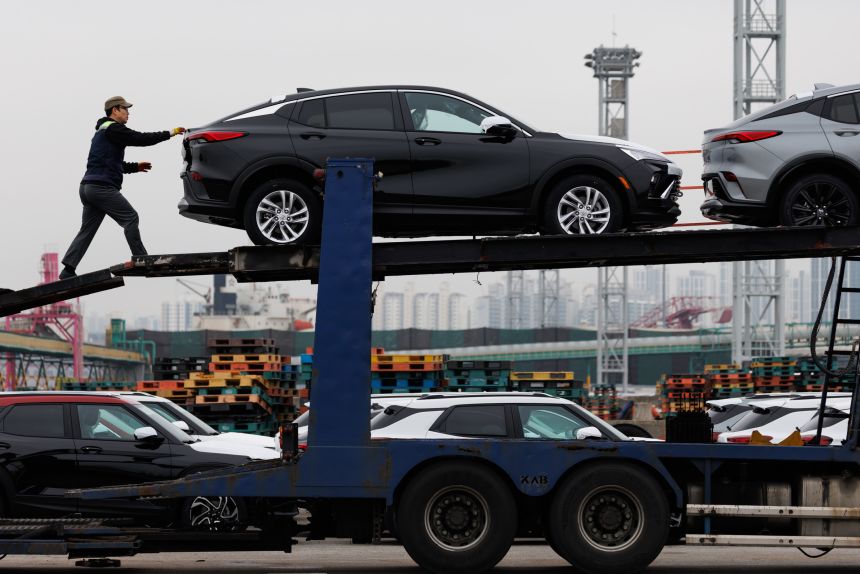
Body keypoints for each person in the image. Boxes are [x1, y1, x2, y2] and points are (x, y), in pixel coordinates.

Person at [59, 96, 185, 280]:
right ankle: (142, 259)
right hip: (101, 188)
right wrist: (170, 132)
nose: (128, 112)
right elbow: (140, 138)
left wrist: (135, 167)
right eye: (125, 109)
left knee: (87, 230)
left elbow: (111, 162)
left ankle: (68, 270)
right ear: (114, 110)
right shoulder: (114, 129)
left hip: (88, 188)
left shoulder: (102, 131)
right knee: (130, 217)